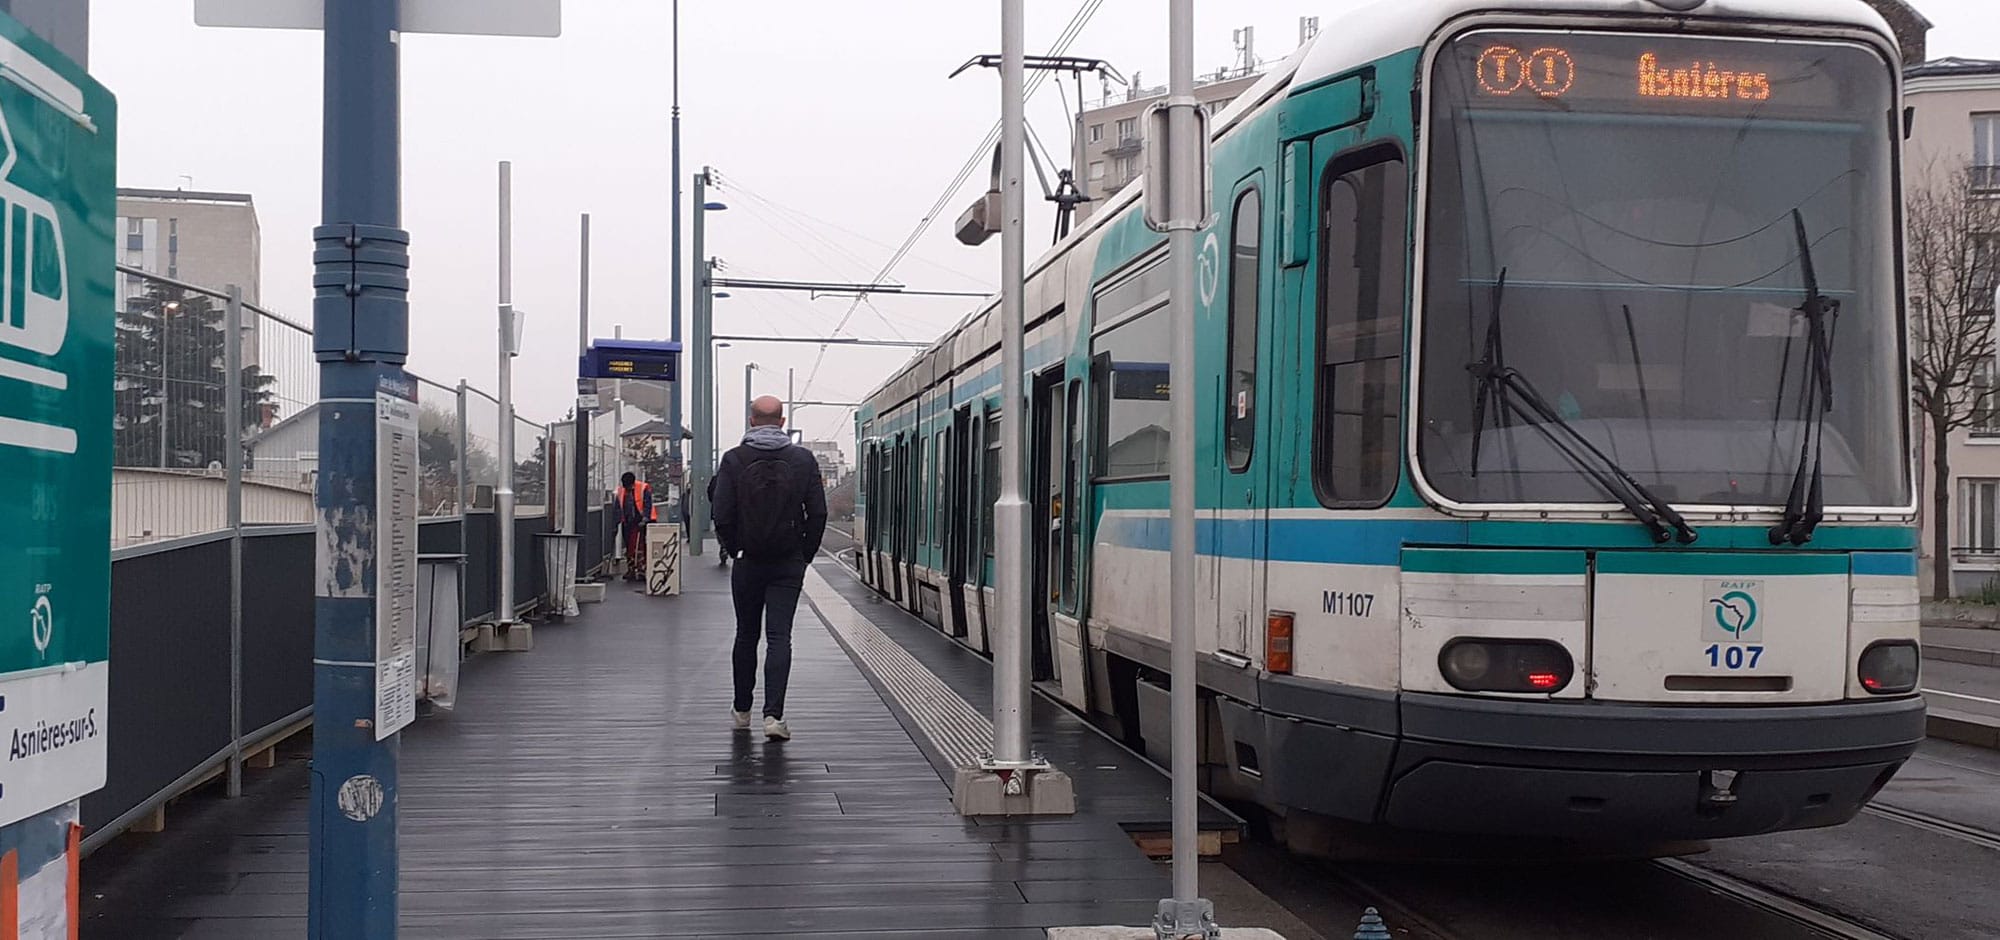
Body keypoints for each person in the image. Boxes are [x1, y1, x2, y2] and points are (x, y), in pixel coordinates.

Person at [711, 396, 827, 741]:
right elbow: (818, 513)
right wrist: (803, 555)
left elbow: (722, 514)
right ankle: (773, 717)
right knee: (779, 637)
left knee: (746, 634)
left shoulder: (734, 459)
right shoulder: (803, 460)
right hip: (787, 563)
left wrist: (736, 550)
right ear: (781, 421)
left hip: (748, 562)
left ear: (751, 421)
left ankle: (742, 710)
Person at [616, 471, 655, 582]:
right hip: (628, 522)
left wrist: (645, 519)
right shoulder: (621, 491)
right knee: (629, 546)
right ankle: (631, 569)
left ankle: (642, 569)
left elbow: (648, 504)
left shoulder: (643, 489)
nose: (627, 489)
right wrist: (617, 522)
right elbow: (618, 507)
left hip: (640, 521)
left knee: (640, 546)